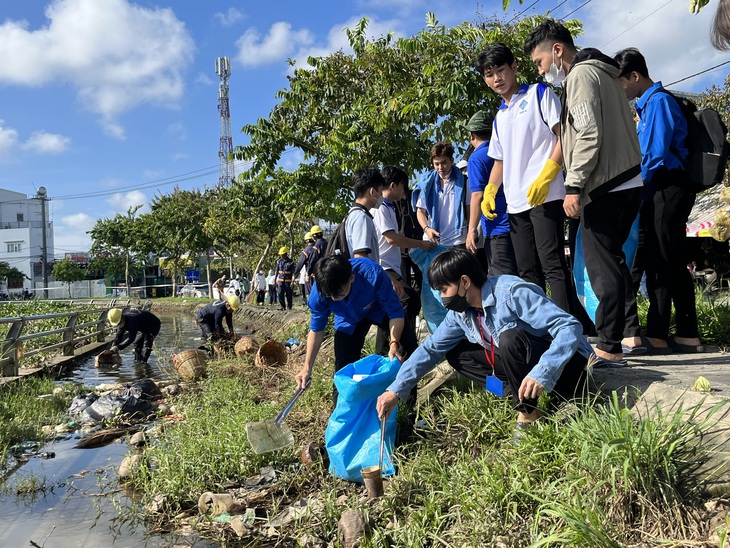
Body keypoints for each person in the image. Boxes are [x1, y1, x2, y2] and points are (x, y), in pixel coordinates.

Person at [375, 247, 592, 441]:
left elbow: (568, 326)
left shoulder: (511, 293)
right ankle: (514, 393)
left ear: (465, 282)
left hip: (569, 366)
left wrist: (543, 372)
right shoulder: (461, 314)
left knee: (510, 339)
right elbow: (431, 349)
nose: (443, 299)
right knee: (456, 354)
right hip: (526, 365)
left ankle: (528, 413)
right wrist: (396, 389)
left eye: (444, 290)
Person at [525, 20, 643, 363]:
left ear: (557, 50)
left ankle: (608, 345)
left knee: (602, 267)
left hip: (605, 184)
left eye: (540, 62)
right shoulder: (606, 74)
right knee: (615, 263)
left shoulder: (580, 76)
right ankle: (622, 336)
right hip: (629, 180)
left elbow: (587, 134)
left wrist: (573, 185)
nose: (543, 70)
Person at [478, 43, 577, 318]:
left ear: (514, 68)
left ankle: (567, 331)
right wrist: (490, 190)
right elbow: (499, 160)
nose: (497, 78)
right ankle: (540, 329)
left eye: (501, 70)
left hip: (546, 195)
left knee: (553, 264)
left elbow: (564, 136)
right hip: (516, 202)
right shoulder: (499, 116)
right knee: (526, 271)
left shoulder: (539, 94)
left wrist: (548, 173)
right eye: (489, 74)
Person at [613, 47, 702, 354]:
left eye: (620, 82)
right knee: (673, 259)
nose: (619, 90)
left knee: (659, 260)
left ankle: (659, 334)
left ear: (635, 76)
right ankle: (688, 334)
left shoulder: (659, 102)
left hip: (666, 186)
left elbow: (655, 156)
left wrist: (633, 186)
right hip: (660, 187)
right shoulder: (646, 108)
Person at [295, 254, 416, 402]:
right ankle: (342, 417)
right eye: (329, 296)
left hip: (379, 309)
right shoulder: (319, 294)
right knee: (343, 368)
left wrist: (394, 343)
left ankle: (407, 406)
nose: (333, 299)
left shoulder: (372, 273)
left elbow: (395, 313)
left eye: (339, 294)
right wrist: (307, 368)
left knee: (407, 346)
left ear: (351, 278)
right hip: (347, 319)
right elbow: (316, 329)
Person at [373, 165, 435, 347]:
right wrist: (420, 244)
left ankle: (391, 347)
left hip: (390, 265)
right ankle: (401, 346)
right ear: (393, 186)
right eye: (402, 186)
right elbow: (391, 238)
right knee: (407, 300)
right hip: (384, 267)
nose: (403, 191)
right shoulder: (381, 207)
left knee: (399, 305)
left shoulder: (389, 207)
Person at [463, 110, 518, 276]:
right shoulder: (508, 151)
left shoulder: (477, 158)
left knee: (504, 280)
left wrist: (472, 229)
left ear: (472, 135)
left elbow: (477, 195)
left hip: (497, 228)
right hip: (520, 222)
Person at [413, 141, 470, 248]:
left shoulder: (464, 182)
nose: (440, 167)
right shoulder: (427, 183)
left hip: (458, 240)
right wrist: (427, 229)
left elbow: (469, 209)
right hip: (433, 240)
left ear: (451, 161)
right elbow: (420, 211)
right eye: (436, 164)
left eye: (444, 163)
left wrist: (471, 232)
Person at [345, 167, 385, 262]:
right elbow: (360, 257)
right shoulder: (361, 217)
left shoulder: (352, 214)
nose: (382, 196)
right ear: (372, 192)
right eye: (381, 191)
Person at [294, 232, 315, 303]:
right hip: (322, 274)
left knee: (310, 292)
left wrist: (295, 275)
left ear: (307, 241)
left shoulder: (306, 251)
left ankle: (311, 308)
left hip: (310, 275)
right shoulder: (318, 247)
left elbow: (300, 264)